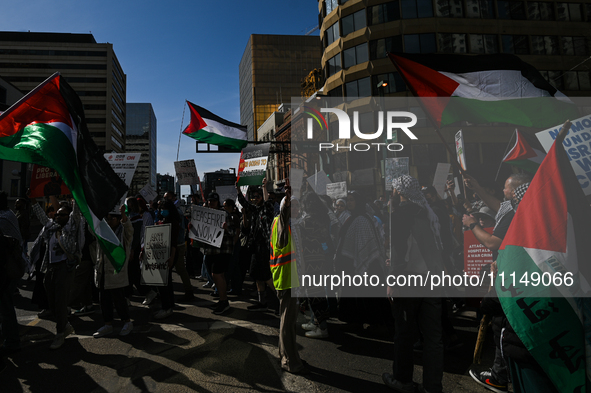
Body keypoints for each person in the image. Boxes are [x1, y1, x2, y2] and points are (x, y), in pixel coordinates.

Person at [383, 175, 444, 393]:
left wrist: (392, 280)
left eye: (394, 190)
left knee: (404, 334)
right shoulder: (430, 213)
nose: (392, 194)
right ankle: (433, 386)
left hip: (409, 281)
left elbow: (399, 252)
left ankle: (402, 380)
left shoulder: (400, 214)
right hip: (433, 281)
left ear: (400, 192)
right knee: (433, 338)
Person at [29, 194, 84, 350]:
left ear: (69, 216)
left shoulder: (71, 227)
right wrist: (33, 200)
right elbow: (41, 216)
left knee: (60, 302)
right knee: (52, 303)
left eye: (62, 214)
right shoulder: (51, 227)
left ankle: (60, 333)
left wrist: (75, 194)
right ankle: (65, 325)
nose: (58, 216)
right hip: (50, 267)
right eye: (57, 214)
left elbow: (77, 212)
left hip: (64, 268)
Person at [271, 180, 309, 374]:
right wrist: (286, 200)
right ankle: (291, 361)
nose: (296, 208)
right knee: (288, 322)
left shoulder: (294, 224)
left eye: (297, 205)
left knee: (287, 321)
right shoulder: (282, 222)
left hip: (290, 278)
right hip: (287, 278)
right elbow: (284, 215)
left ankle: (286, 355)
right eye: (293, 205)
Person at [92, 204, 134, 338]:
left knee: (119, 299)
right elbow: (91, 228)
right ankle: (107, 324)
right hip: (102, 269)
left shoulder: (123, 232)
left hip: (116, 271)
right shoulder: (102, 231)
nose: (109, 221)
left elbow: (129, 229)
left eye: (111, 219)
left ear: (117, 219)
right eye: (107, 219)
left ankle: (127, 322)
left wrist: (123, 216)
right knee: (104, 299)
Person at [236, 180, 277, 312]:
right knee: (257, 275)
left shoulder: (268, 208)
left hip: (266, 247)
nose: (255, 199)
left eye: (258, 196)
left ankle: (281, 300)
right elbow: (245, 203)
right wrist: (238, 190)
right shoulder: (256, 210)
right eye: (253, 197)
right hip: (255, 247)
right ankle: (262, 302)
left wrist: (264, 187)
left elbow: (267, 201)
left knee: (266, 276)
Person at [198, 192, 236, 315]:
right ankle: (222, 300)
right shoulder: (205, 215)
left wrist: (226, 229)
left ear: (217, 202)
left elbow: (233, 233)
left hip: (222, 250)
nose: (211, 203)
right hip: (210, 250)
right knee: (216, 276)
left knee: (217, 275)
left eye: (213, 201)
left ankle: (224, 301)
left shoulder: (224, 215)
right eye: (209, 201)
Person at [0, 191, 23, 354]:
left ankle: (12, 342)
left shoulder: (2, 219)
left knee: (6, 308)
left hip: (6, 269)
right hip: (10, 266)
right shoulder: (7, 215)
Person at [164, 191, 194, 302]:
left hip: (177, 244)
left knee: (180, 269)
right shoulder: (173, 213)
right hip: (174, 244)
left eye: (167, 198)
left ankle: (189, 291)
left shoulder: (177, 214)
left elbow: (179, 231)